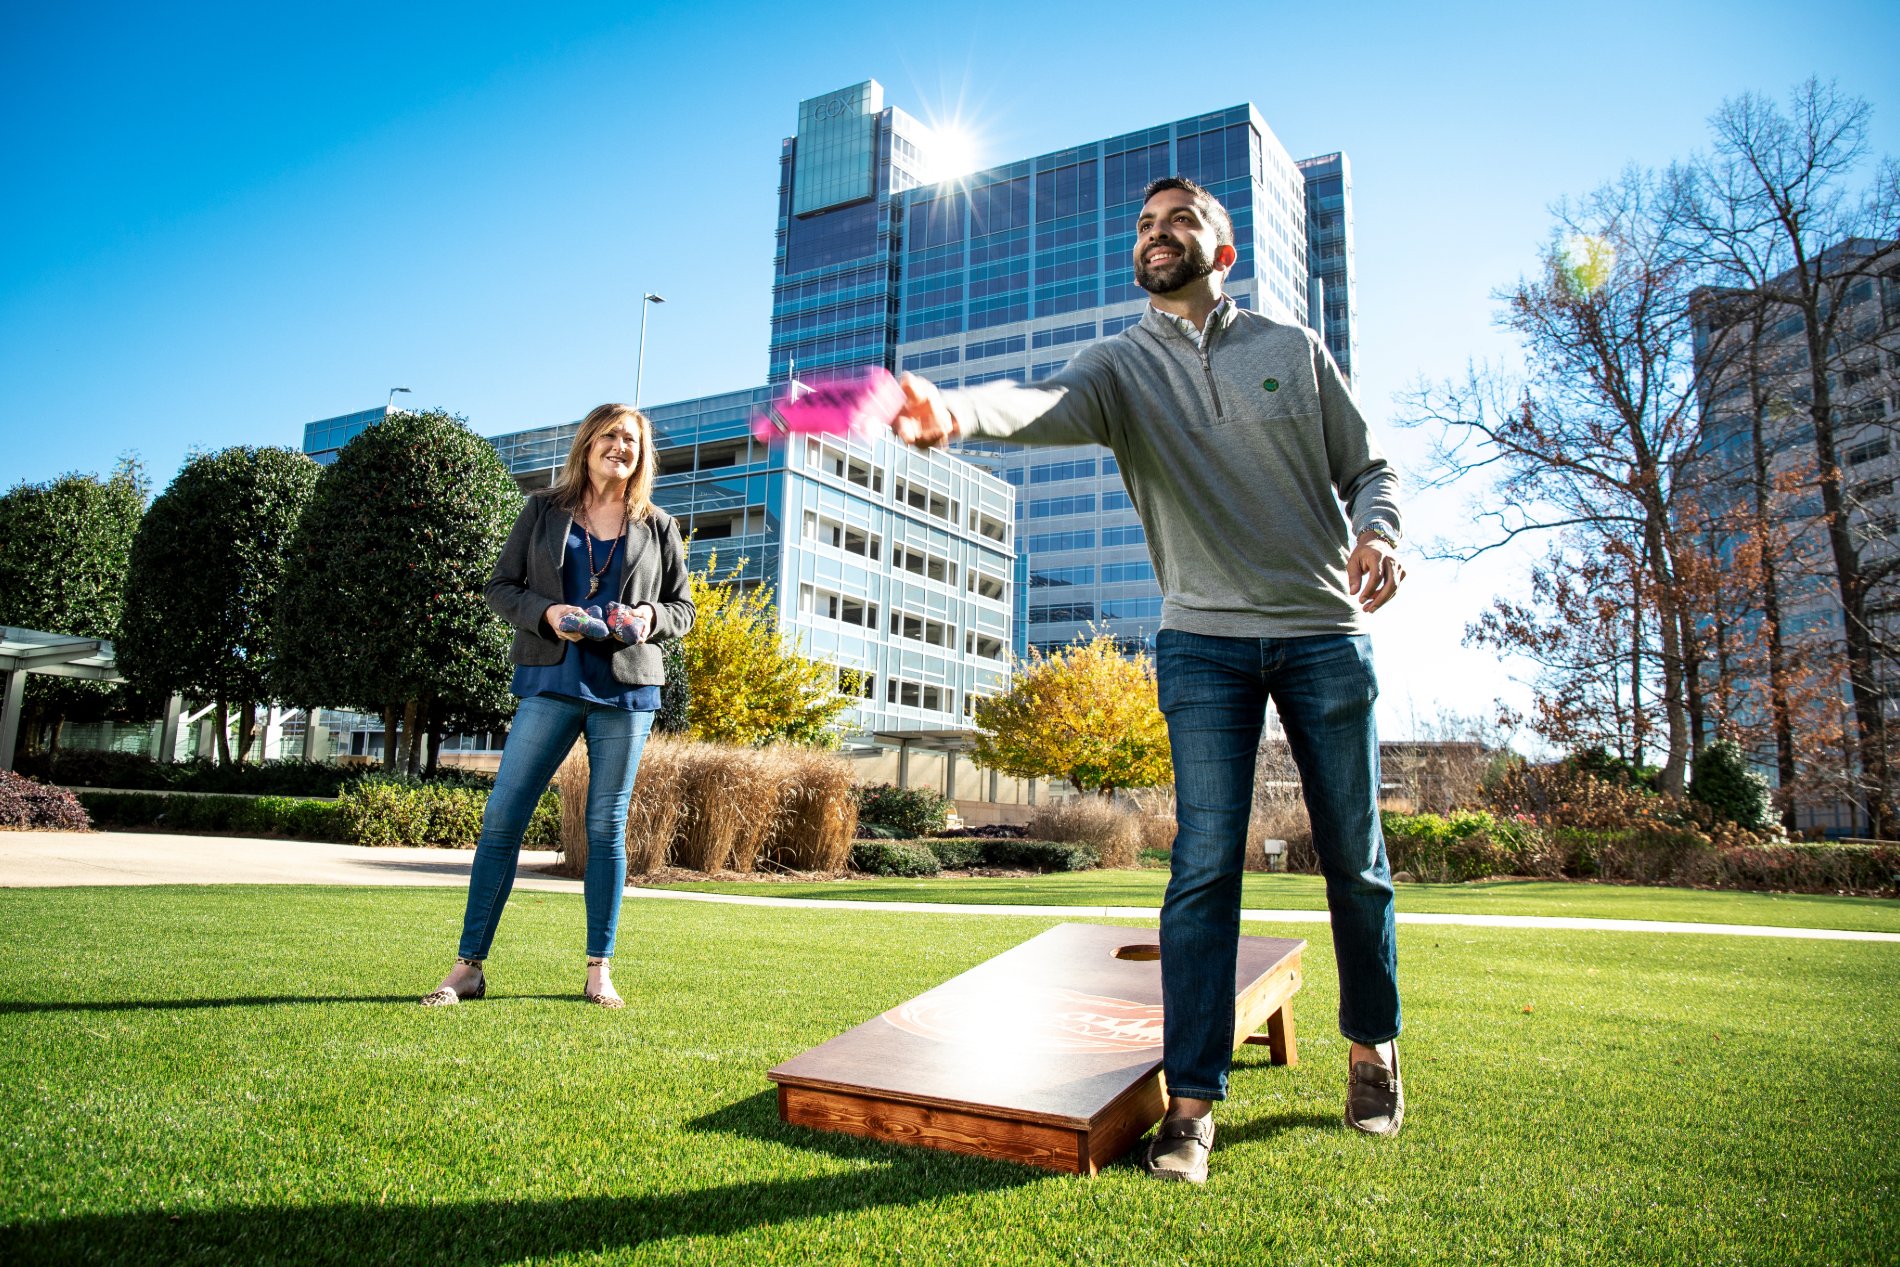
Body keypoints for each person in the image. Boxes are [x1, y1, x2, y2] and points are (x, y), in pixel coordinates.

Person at [891, 176, 1407, 1183]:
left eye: (1179, 222)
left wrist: (1381, 530)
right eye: (1142, 223)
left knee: (1356, 856)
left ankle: (1373, 1050)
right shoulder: (1120, 367)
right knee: (1204, 863)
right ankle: (1192, 1101)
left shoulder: (1290, 352)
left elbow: (1370, 468)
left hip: (1321, 633)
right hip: (1203, 641)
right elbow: (1038, 403)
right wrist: (953, 409)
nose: (1155, 233)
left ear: (1221, 252)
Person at [422, 402, 693, 1010]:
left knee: (605, 827)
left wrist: (648, 618)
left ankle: (599, 969)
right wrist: (545, 614)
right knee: (503, 819)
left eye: (632, 439)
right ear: (588, 442)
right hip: (551, 680)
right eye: (610, 435)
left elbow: (683, 608)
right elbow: (501, 587)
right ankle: (468, 968)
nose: (620, 445)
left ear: (642, 454)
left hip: (625, 692)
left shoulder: (659, 526)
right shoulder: (543, 511)